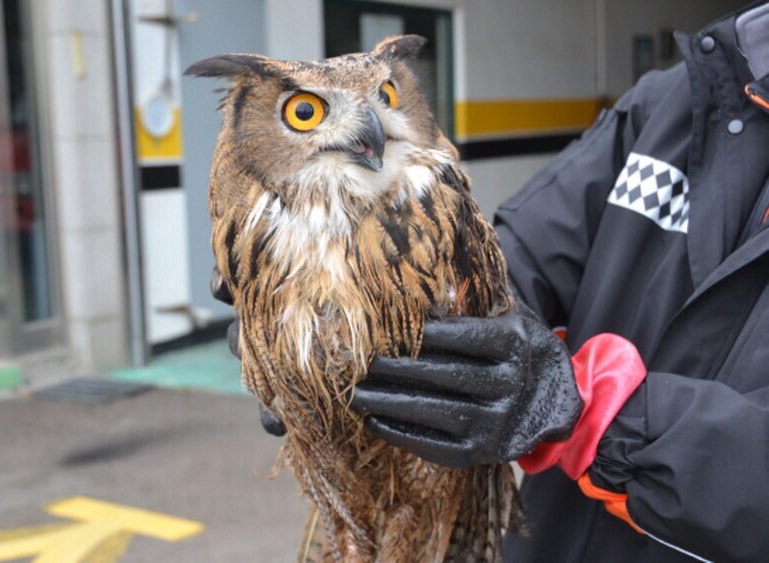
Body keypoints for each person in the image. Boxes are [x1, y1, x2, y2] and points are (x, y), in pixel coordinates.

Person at [225, 3, 769, 561]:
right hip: (549, 541)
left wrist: (582, 410)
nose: (371, 122)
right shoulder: (686, 95)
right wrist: (378, 309)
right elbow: (514, 252)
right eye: (305, 112)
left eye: (386, 98)